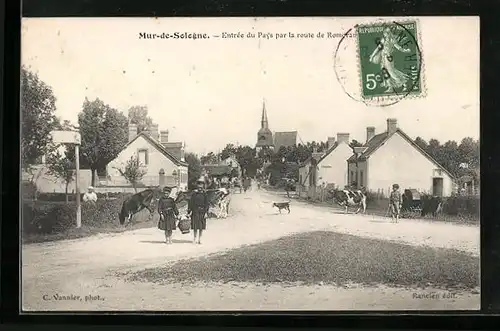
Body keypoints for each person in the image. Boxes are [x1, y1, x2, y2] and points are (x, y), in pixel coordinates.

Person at [188, 179, 209, 244]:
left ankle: (200, 239)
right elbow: (191, 203)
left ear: (202, 187)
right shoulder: (194, 194)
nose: (200, 188)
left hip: (202, 212)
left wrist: (206, 213)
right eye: (199, 187)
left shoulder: (205, 195)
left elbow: (207, 204)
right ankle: (194, 238)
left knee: (201, 227)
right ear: (197, 187)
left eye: (201, 187)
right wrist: (189, 212)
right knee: (195, 226)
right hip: (195, 211)